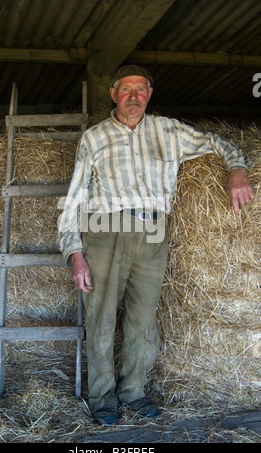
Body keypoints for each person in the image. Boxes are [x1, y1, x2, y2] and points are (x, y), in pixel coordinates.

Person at [57, 65, 254, 425]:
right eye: (126, 90)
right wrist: (74, 253)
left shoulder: (170, 131)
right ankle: (103, 398)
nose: (134, 97)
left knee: (143, 320)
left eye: (141, 90)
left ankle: (133, 391)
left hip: (152, 232)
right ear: (114, 94)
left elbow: (217, 142)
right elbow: (75, 198)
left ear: (149, 94)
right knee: (101, 319)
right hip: (105, 228)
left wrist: (236, 170)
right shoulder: (94, 138)